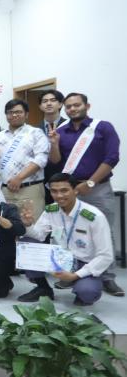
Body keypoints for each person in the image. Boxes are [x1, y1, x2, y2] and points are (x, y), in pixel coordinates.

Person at [48, 92, 123, 296]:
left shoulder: (102, 127)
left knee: (104, 231)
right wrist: (54, 144)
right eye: (68, 106)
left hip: (97, 188)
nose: (72, 109)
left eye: (77, 105)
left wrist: (91, 182)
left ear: (87, 106)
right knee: (68, 230)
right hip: (70, 190)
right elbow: (56, 161)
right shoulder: (60, 131)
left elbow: (112, 157)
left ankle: (107, 278)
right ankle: (71, 273)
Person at [18, 173, 115, 306]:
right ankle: (43, 288)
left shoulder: (94, 216)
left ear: (75, 190)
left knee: (87, 292)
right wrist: (28, 224)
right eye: (54, 191)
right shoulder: (51, 210)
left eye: (64, 190)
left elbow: (106, 256)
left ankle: (80, 287)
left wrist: (76, 275)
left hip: (84, 263)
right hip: (60, 259)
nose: (59, 195)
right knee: (26, 243)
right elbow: (39, 235)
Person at [0, 99, 49, 220]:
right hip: (5, 191)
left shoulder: (36, 133)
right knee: (8, 226)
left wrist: (19, 178)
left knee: (33, 226)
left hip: (30, 189)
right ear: (6, 115)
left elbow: (41, 159)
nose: (14, 115)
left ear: (26, 114)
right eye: (10, 112)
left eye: (18, 112)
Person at [37, 89, 66, 204]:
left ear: (60, 104)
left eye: (53, 100)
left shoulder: (69, 126)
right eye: (45, 101)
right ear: (40, 106)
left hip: (66, 178)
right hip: (42, 180)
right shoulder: (34, 130)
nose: (48, 103)